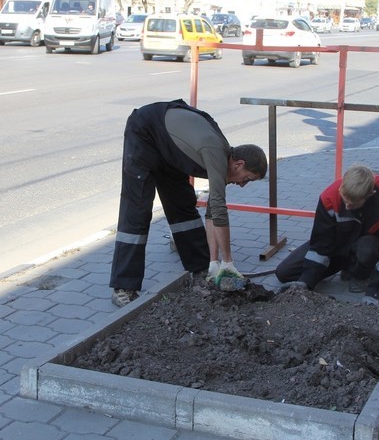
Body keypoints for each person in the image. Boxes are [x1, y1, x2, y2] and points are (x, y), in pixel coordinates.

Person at [109, 99, 268, 307]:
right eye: (246, 179)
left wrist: (214, 262)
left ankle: (202, 267)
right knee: (137, 209)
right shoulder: (215, 152)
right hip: (145, 132)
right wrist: (227, 262)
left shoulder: (223, 158)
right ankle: (123, 286)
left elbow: (213, 209)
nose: (242, 185)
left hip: (169, 148)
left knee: (182, 203)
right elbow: (219, 210)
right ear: (239, 164)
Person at [275, 164, 379, 303]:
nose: (347, 207)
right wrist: (306, 282)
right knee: (284, 273)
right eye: (345, 200)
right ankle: (346, 265)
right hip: (337, 244)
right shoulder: (329, 197)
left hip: (367, 246)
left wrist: (375, 292)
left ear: (369, 195)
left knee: (367, 249)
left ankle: (361, 274)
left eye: (353, 204)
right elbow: (320, 244)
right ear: (342, 186)